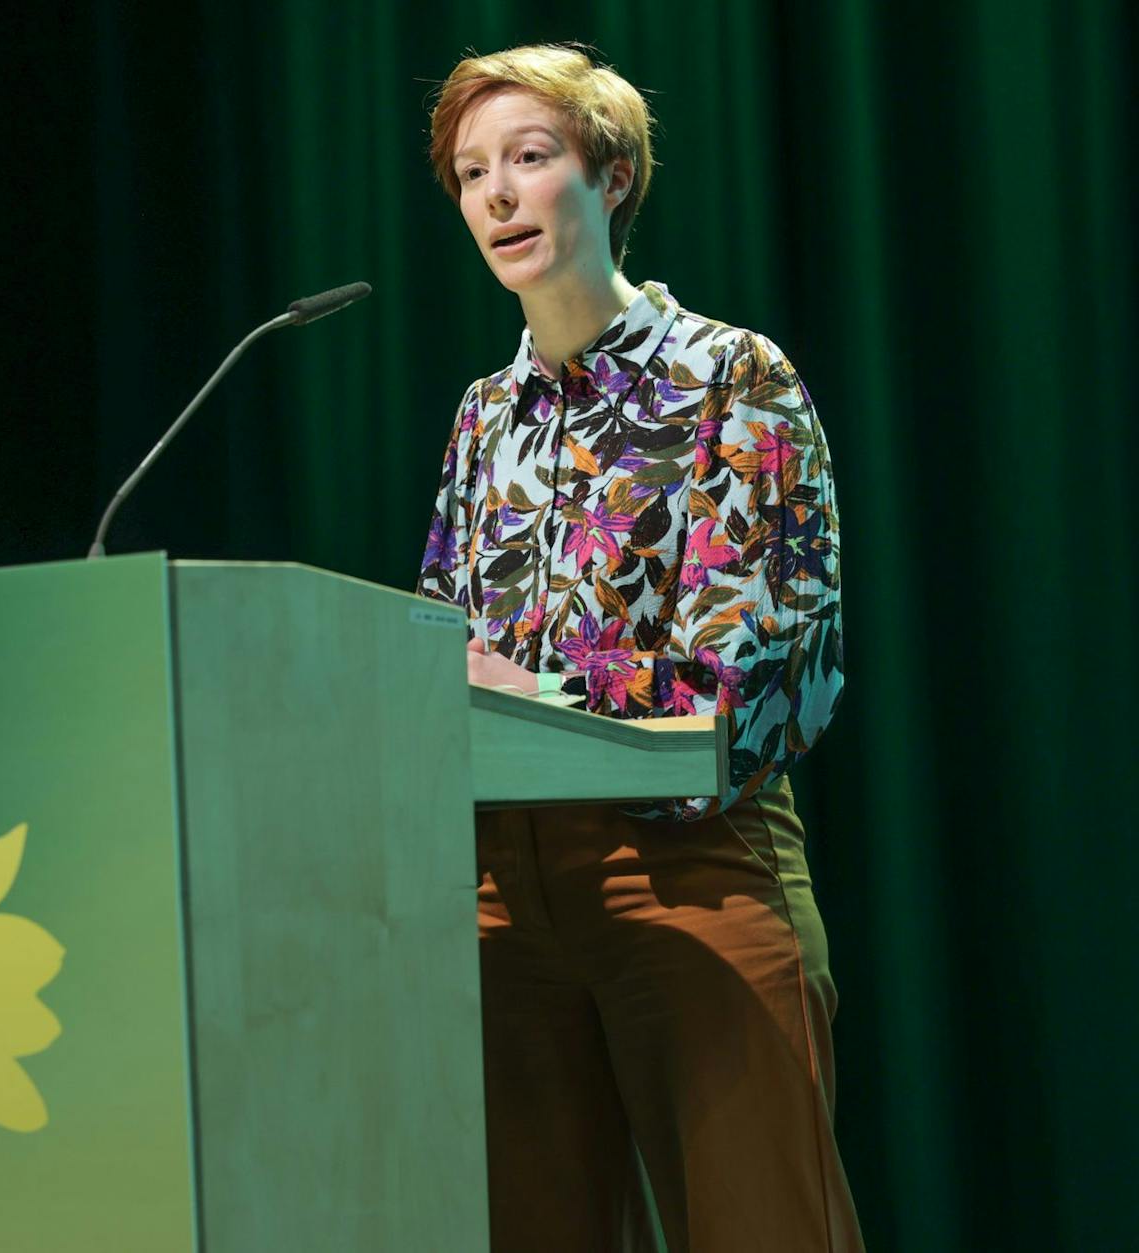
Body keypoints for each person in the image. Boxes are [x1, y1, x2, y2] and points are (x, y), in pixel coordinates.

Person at [417, 44, 862, 1252]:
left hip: (688, 869)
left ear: (609, 177)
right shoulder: (480, 417)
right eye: (470, 173)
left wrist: (539, 687)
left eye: (527, 157)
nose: (496, 193)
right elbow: (438, 645)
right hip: (500, 894)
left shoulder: (730, 376)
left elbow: (764, 669)